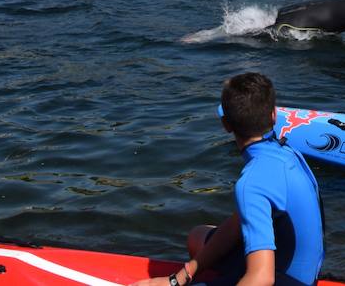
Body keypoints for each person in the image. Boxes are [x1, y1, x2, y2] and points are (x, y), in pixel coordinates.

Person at [132, 73, 324, 286]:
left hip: (282, 280)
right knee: (198, 237)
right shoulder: (288, 154)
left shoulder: (252, 182)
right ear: (273, 116)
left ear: (226, 124)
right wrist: (178, 280)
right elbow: (239, 222)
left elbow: (261, 278)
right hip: (296, 270)